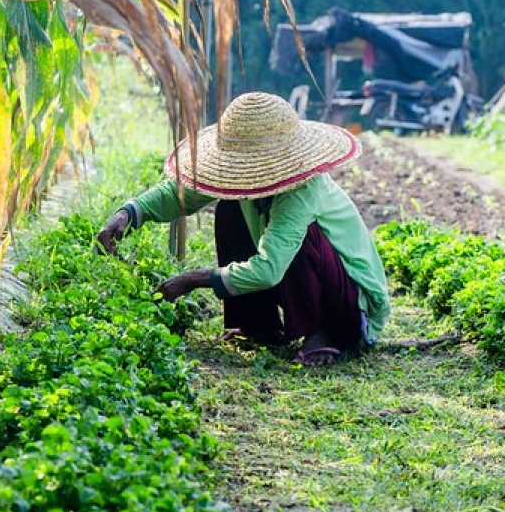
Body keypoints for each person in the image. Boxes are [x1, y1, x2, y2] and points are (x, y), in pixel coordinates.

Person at [97, 92, 390, 366]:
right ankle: (256, 325)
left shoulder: (302, 190)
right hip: (295, 273)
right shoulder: (244, 181)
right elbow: (182, 194)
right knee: (230, 207)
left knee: (303, 237)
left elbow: (269, 269)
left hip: (351, 303)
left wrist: (193, 279)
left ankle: (325, 331)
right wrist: (128, 214)